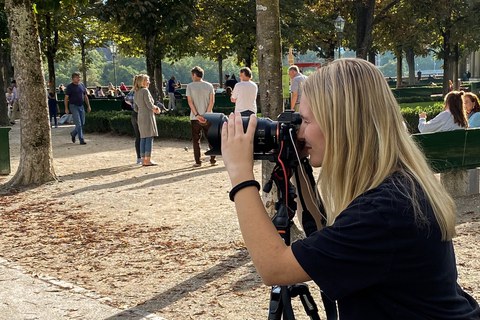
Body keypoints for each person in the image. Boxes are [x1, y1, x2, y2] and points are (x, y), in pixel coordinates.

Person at [219, 58, 480, 319]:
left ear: (341, 126)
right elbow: (322, 236)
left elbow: (274, 267)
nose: (300, 133)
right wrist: (296, 163)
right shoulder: (399, 185)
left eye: (307, 121)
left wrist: (241, 175)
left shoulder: (384, 211)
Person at [186, 66, 216, 167]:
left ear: (194, 75)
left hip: (195, 117)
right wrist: (206, 114)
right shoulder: (209, 86)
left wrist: (197, 115)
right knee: (211, 138)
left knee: (196, 140)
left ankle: (198, 161)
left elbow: (190, 102)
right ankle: (212, 159)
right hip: (208, 116)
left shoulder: (190, 86)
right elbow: (212, 101)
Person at [133, 74, 161, 166]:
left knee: (143, 138)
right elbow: (149, 104)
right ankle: (148, 159)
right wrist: (156, 109)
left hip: (140, 116)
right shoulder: (145, 91)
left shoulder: (136, 92)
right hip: (147, 116)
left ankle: (143, 159)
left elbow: (135, 108)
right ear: (143, 82)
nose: (149, 82)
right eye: (147, 80)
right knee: (149, 137)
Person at [64, 72, 91, 145]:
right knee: (78, 123)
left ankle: (73, 133)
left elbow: (85, 96)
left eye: (79, 77)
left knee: (82, 123)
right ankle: (81, 139)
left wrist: (88, 106)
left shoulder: (82, 85)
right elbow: (66, 98)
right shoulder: (69, 87)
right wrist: (66, 108)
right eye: (77, 77)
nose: (79, 79)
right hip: (73, 106)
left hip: (81, 106)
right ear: (73, 78)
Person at [124, 76, 142, 164]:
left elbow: (126, 100)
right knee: (144, 136)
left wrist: (132, 105)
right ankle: (144, 156)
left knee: (138, 136)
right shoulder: (141, 91)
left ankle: (139, 157)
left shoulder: (132, 91)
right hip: (141, 114)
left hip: (134, 114)